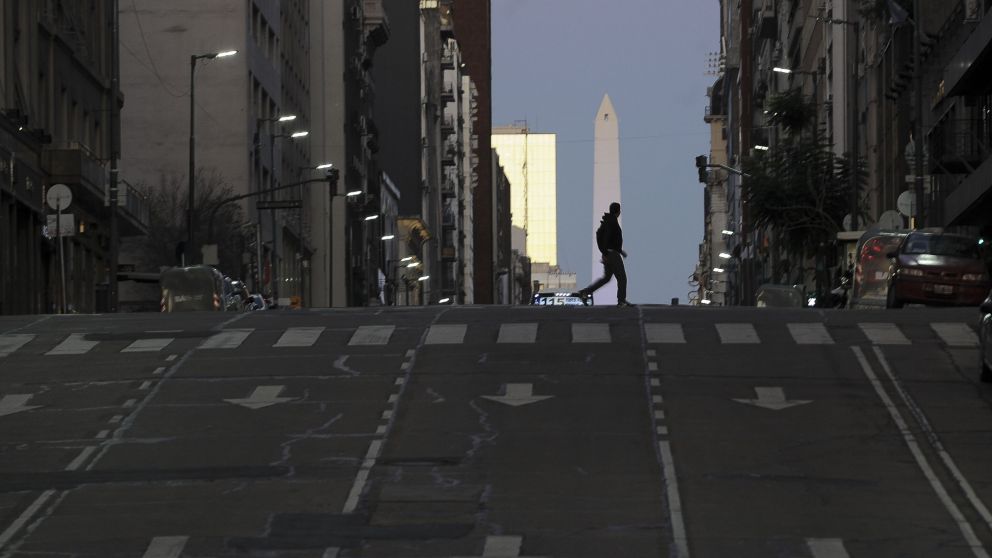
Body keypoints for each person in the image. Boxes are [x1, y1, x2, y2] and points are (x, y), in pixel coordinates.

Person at [579, 201, 634, 307]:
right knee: (622, 278)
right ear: (618, 211)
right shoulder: (612, 222)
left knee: (606, 278)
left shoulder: (608, 221)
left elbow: (605, 237)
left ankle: (585, 292)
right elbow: (607, 238)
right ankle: (621, 301)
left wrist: (619, 251)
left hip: (610, 253)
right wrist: (605, 252)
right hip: (612, 254)